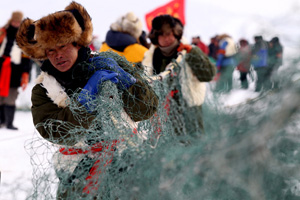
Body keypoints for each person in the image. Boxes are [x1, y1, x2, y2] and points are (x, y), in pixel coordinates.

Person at [16, 2, 158, 199]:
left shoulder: (110, 64)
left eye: (62, 46)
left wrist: (127, 81)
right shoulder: (44, 90)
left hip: (126, 165)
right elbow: (54, 132)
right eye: (51, 51)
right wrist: (85, 100)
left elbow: (147, 109)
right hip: (77, 176)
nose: (58, 56)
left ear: (77, 43)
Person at [142, 14, 216, 138]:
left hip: (190, 110)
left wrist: (194, 54)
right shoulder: (150, 57)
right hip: (164, 115)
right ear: (156, 36)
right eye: (162, 34)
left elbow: (208, 75)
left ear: (176, 33)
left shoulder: (188, 51)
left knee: (195, 142)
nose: (166, 38)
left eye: (169, 33)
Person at [0, 11, 32, 130]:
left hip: (15, 70)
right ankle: (1, 121)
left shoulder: (24, 37)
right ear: (11, 20)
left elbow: (26, 58)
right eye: (14, 21)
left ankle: (9, 123)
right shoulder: (3, 32)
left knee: (11, 95)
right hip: (1, 67)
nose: (16, 23)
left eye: (18, 22)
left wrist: (25, 73)